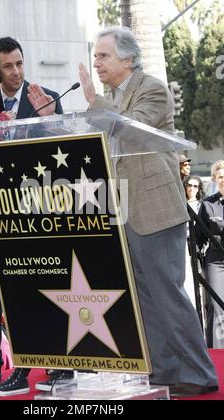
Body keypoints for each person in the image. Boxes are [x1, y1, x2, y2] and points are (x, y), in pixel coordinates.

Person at [78, 26, 218, 397]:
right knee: (143, 296)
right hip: (122, 208)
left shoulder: (151, 88)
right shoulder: (110, 96)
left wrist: (95, 102)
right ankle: (164, 369)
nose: (97, 62)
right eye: (95, 56)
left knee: (166, 292)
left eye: (103, 55)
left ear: (127, 58)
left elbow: (133, 130)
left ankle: (199, 372)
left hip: (155, 207)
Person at [0, 37, 63, 394]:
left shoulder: (45, 97)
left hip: (33, 212)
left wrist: (50, 122)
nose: (17, 72)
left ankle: (54, 362)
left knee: (38, 286)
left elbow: (65, 151)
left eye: (20, 63)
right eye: (8, 66)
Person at [196, 160, 224, 349]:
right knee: (217, 306)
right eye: (220, 176)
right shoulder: (207, 205)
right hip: (216, 262)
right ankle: (218, 355)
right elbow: (198, 238)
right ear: (214, 179)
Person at [183, 175, 205, 307]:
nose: (192, 188)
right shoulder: (180, 204)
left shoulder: (203, 205)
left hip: (196, 245)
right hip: (181, 244)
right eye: (189, 185)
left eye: (195, 186)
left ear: (199, 188)